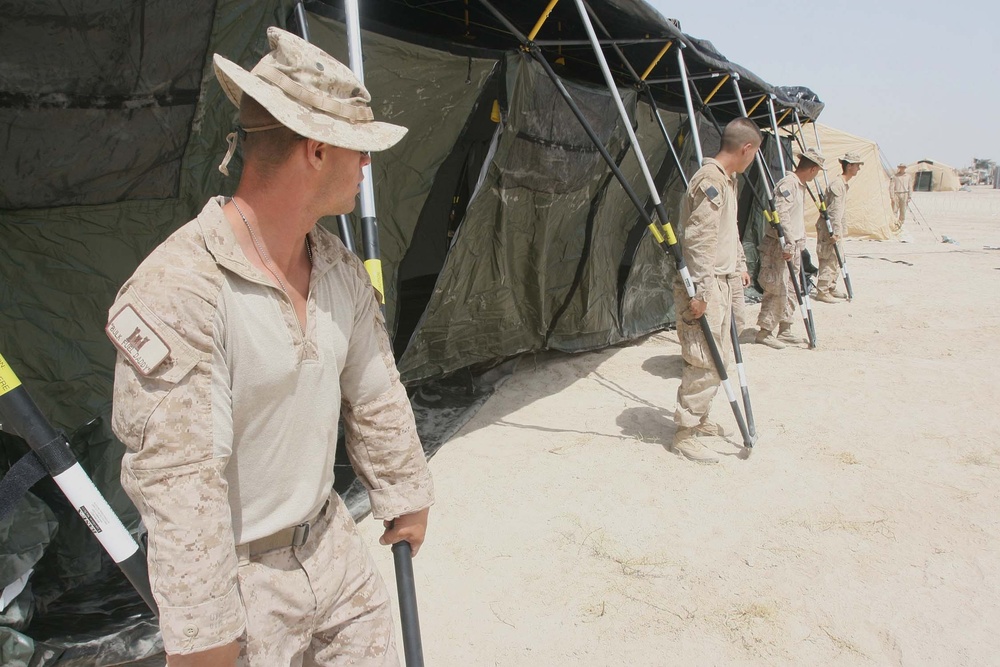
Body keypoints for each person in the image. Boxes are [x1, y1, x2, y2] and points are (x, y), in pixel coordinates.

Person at [104, 28, 433, 666]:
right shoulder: (181, 289)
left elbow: (374, 389)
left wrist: (404, 490)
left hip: (332, 545)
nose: (367, 167)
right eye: (358, 151)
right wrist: (205, 638)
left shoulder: (337, 268)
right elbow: (178, 480)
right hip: (243, 583)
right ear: (315, 150)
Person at [671, 118, 762, 463]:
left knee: (718, 355)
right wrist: (703, 293)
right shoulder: (710, 181)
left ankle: (701, 417)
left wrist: (739, 262)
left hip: (722, 281)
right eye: (754, 155)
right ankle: (684, 431)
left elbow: (729, 230)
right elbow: (698, 242)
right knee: (704, 357)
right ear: (746, 149)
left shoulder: (728, 181)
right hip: (705, 285)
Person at [755, 148, 824, 349]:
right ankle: (765, 331)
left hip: (794, 245)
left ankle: (785, 328)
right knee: (777, 287)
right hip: (781, 245)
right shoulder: (789, 184)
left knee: (793, 288)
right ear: (812, 169)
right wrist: (787, 241)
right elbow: (781, 214)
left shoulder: (799, 185)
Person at [814, 152, 863, 303]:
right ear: (849, 166)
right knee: (828, 257)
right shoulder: (837, 185)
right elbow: (834, 211)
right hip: (829, 228)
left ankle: (831, 286)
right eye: (856, 166)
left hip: (836, 228)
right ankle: (822, 290)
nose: (858, 169)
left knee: (837, 257)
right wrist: (834, 231)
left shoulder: (843, 184)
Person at [891, 163, 911, 228]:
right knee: (895, 209)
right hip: (896, 193)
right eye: (901, 167)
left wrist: (909, 196)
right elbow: (891, 187)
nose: (902, 168)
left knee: (903, 209)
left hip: (904, 194)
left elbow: (910, 186)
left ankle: (901, 223)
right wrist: (892, 196)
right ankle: (895, 222)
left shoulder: (908, 176)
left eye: (903, 167)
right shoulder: (894, 176)